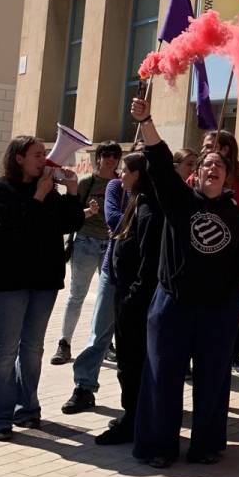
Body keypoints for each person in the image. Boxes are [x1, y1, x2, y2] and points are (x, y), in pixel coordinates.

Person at [128, 96, 239, 468]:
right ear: (196, 174)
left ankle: (207, 445)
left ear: (227, 177)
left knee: (213, 380)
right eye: (207, 164)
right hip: (172, 305)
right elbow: (158, 157)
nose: (213, 168)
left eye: (220, 165)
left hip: (219, 309)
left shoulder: (236, 216)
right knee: (162, 376)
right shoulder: (179, 200)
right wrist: (147, 119)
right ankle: (158, 447)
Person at [0, 137, 84, 440]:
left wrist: (72, 191)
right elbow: (7, 234)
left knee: (33, 348)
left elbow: (70, 222)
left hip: (43, 281)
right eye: (38, 155)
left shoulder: (48, 190)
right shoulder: (0, 190)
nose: (45, 159)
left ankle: (27, 409)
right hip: (8, 282)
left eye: (44, 154)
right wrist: (37, 196)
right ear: (19, 158)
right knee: (4, 349)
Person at [61, 153, 138, 414]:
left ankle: (138, 399)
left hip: (143, 277)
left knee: (137, 341)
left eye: (127, 167)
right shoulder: (116, 187)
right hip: (113, 271)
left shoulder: (157, 193)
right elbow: (115, 221)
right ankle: (84, 387)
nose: (121, 171)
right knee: (99, 333)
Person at [94, 152, 161, 445]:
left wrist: (133, 299)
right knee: (129, 362)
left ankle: (135, 420)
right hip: (127, 296)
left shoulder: (148, 209)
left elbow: (148, 264)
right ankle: (133, 414)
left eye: (125, 171)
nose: (120, 176)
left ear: (137, 174)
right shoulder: (138, 201)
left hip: (136, 301)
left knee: (133, 363)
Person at [192, 130, 239, 377]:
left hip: (227, 278)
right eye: (205, 148)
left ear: (227, 150)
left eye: (213, 147)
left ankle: (235, 355)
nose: (207, 151)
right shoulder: (192, 182)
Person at [51, 141, 122, 365]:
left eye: (115, 155)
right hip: (85, 242)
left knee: (108, 298)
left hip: (111, 245)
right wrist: (88, 212)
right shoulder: (86, 183)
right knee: (76, 295)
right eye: (106, 154)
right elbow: (71, 214)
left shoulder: (121, 185)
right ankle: (64, 343)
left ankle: (104, 343)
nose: (111, 159)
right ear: (98, 157)